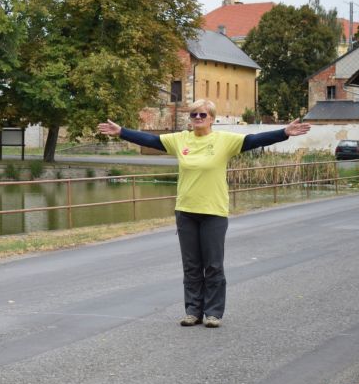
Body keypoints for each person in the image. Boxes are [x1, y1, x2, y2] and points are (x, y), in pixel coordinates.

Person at [97, 100, 311, 328]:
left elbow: (253, 140)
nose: (198, 118)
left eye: (202, 114)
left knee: (213, 265)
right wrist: (122, 132)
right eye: (194, 115)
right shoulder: (180, 139)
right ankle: (193, 311)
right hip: (186, 211)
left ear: (212, 119)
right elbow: (151, 140)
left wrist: (284, 133)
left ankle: (213, 313)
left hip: (213, 212)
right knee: (191, 266)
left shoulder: (224, 140)